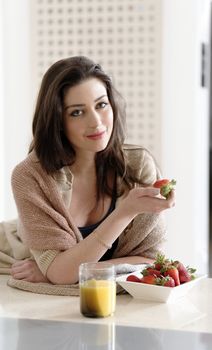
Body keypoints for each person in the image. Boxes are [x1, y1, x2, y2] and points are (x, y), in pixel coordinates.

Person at [10, 56, 175, 285]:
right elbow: (61, 273)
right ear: (57, 120)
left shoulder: (138, 165)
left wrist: (63, 270)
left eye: (101, 105)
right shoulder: (30, 176)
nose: (96, 122)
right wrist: (125, 212)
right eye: (77, 112)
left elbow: (149, 260)